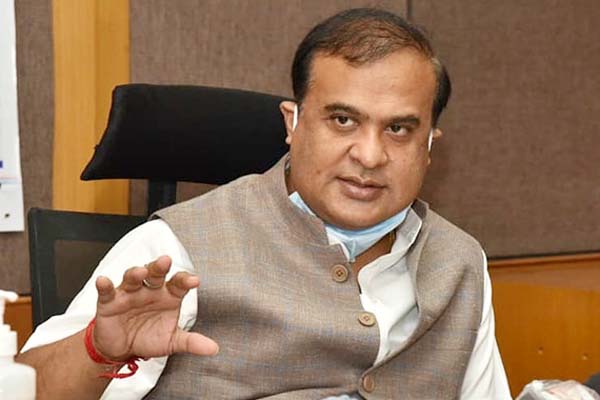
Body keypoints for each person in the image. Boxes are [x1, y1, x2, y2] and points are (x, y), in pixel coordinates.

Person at [18, 8, 511, 400]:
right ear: (292, 123)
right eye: (342, 120)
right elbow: (23, 391)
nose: (369, 155)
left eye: (398, 129)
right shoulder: (174, 249)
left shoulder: (459, 262)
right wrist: (98, 350)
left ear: (429, 145)